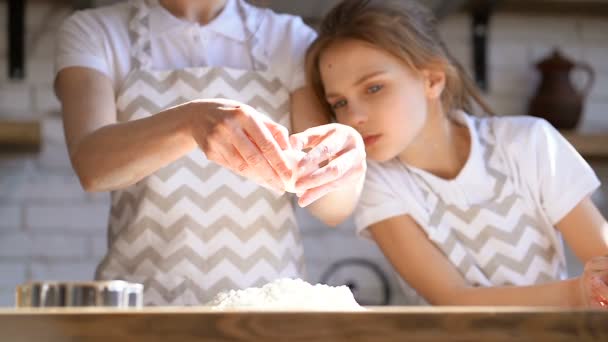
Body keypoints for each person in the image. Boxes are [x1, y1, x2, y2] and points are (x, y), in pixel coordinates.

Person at [54, 0, 366, 305]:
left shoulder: (290, 39)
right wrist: (189, 122)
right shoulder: (95, 32)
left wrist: (347, 156)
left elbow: (330, 206)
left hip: (266, 309)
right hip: (144, 309)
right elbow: (91, 165)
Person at [305, 0, 608, 308]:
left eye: (373, 88)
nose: (354, 116)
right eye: (340, 102)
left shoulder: (528, 142)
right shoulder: (378, 182)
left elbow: (603, 256)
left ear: (432, 79)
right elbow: (453, 298)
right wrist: (579, 293)